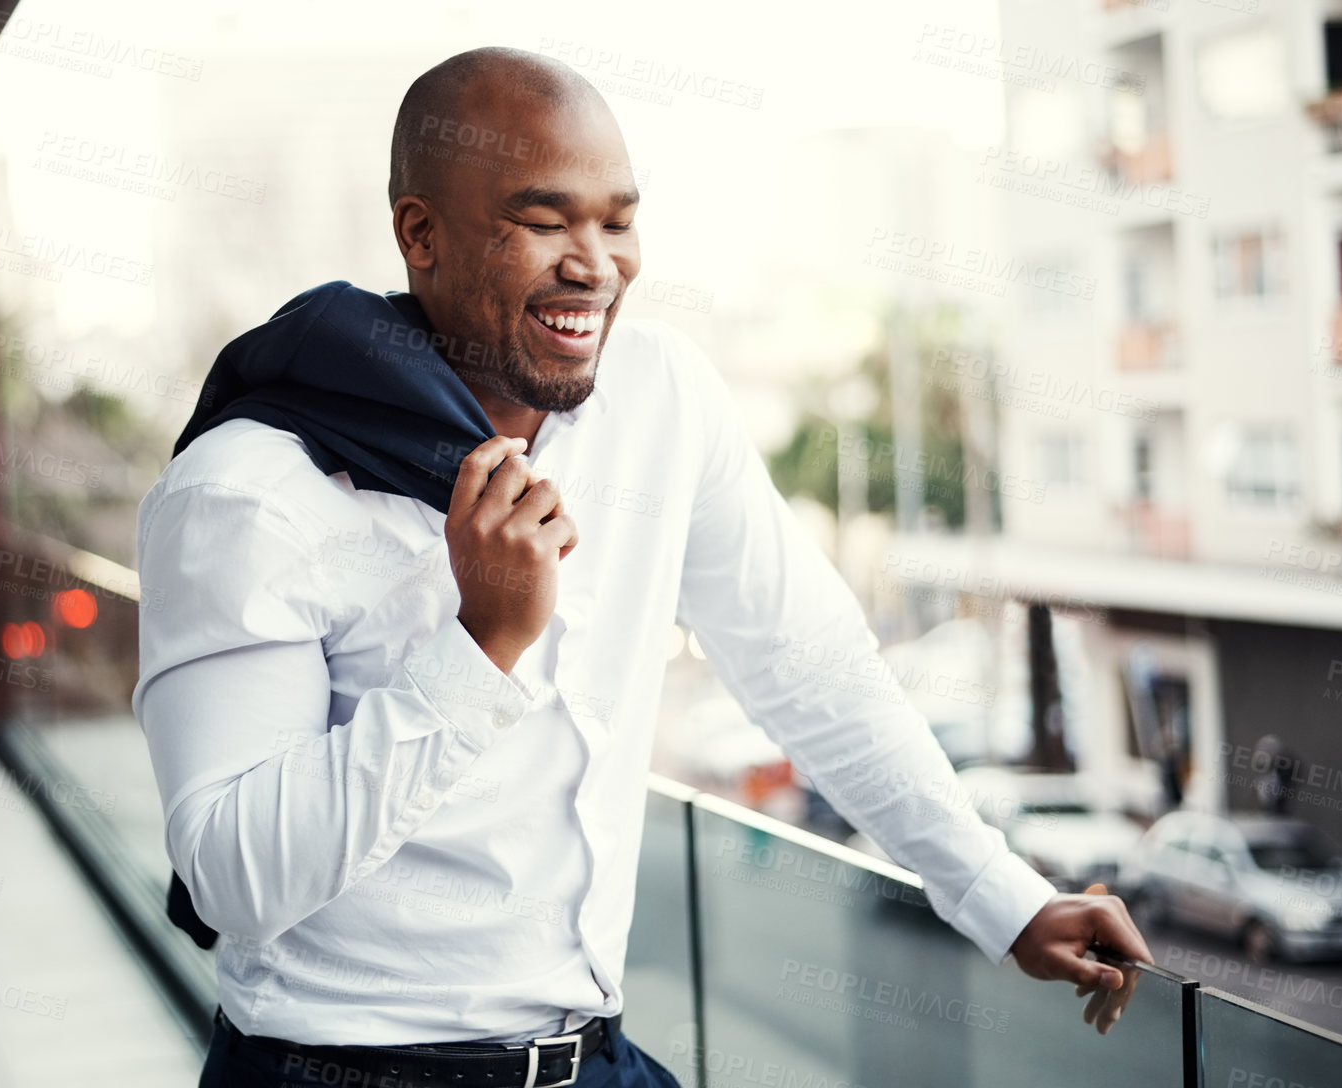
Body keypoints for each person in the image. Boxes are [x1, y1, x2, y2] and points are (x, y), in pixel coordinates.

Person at [134, 46, 1153, 1088]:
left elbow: (810, 664)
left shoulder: (660, 397)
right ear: (419, 234)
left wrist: (999, 891)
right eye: (543, 220)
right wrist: (480, 646)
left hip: (595, 1056)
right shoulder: (248, 492)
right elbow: (231, 876)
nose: (595, 263)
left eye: (615, 219)